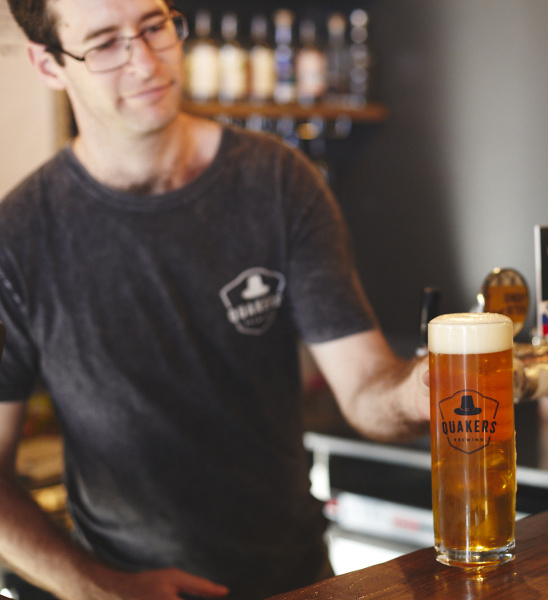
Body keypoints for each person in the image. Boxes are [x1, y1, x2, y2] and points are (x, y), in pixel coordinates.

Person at [0, 0, 430, 598]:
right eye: (105, 44)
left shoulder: (278, 181)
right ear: (49, 64)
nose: (146, 62)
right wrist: (100, 588)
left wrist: (422, 389)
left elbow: (365, 390)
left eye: (154, 26)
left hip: (296, 582)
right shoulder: (19, 239)